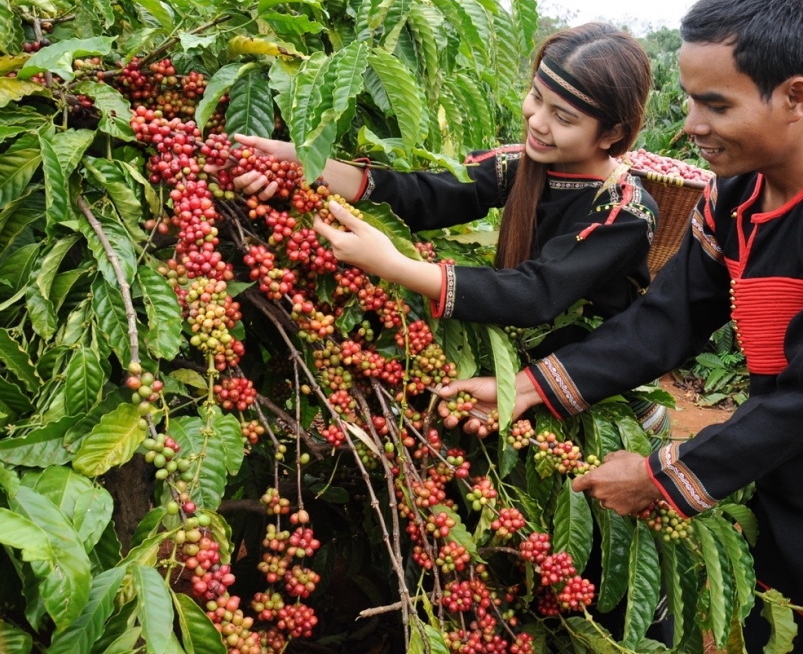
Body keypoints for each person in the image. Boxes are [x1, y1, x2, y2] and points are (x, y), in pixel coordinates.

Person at [438, 0, 803, 651]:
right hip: (784, 486)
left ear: (794, 97)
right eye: (692, 99)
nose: (691, 124)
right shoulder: (735, 195)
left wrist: (662, 476)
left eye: (715, 105)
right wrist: (524, 388)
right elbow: (664, 320)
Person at [223, 22, 669, 436]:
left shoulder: (625, 212)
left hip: (591, 388)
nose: (536, 120)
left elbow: (534, 293)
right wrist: (308, 164)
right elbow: (426, 192)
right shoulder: (523, 164)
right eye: (536, 97)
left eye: (564, 117)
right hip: (513, 369)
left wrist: (394, 265)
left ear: (612, 133)